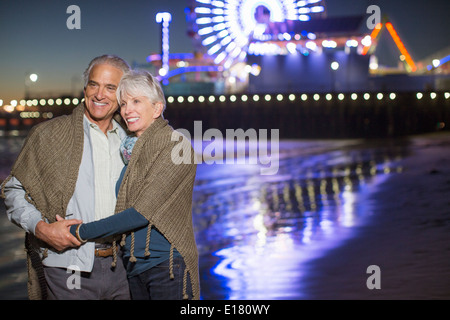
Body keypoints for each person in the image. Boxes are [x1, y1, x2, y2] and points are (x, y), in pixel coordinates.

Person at [1, 55, 131, 300]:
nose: (100, 94)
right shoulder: (49, 134)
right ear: (85, 90)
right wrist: (41, 228)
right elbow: (13, 189)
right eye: (94, 84)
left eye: (110, 87)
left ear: (122, 94)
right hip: (68, 269)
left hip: (123, 266)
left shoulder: (130, 139)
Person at [67, 69, 200, 300]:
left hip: (168, 267)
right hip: (134, 267)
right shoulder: (131, 153)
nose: (127, 110)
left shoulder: (176, 147)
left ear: (157, 108)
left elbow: (141, 213)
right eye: (124, 103)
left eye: (137, 101)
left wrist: (79, 231)